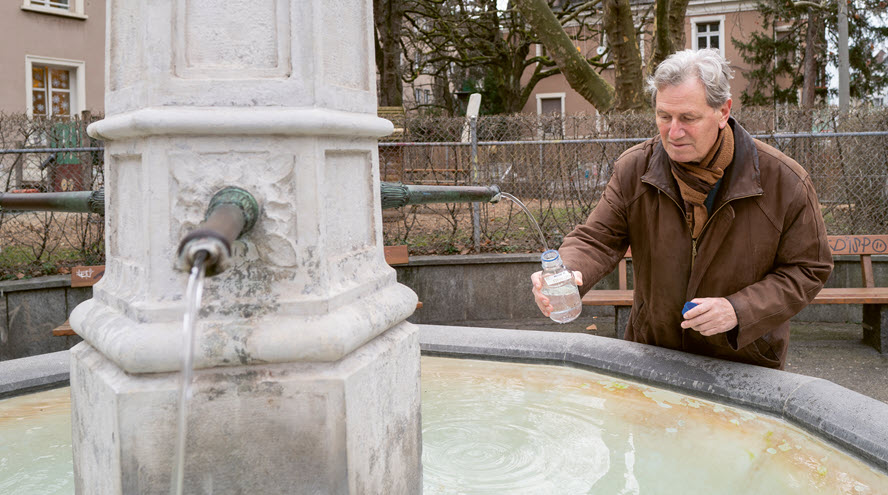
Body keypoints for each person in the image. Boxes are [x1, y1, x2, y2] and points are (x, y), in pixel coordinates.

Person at [531, 49, 832, 369]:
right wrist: (570, 271)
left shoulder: (785, 181)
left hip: (744, 360)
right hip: (655, 356)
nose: (673, 133)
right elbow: (597, 239)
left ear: (723, 111)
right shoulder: (634, 169)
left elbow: (808, 267)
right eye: (664, 116)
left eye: (688, 118)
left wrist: (739, 310)